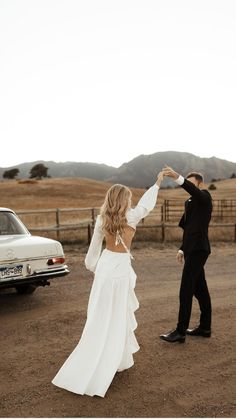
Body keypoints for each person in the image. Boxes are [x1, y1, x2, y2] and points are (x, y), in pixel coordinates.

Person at [52, 171, 164, 397]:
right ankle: (113, 358)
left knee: (100, 314)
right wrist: (158, 183)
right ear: (125, 200)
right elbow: (147, 205)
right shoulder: (132, 216)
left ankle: (103, 355)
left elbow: (93, 250)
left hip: (105, 267)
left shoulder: (102, 219)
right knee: (117, 315)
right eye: (129, 198)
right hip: (120, 268)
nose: (131, 202)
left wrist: (94, 266)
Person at [160, 166, 212, 343]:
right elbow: (188, 230)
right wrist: (182, 249)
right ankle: (205, 328)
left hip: (199, 249)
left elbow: (195, 193)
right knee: (200, 290)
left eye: (191, 183)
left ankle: (180, 331)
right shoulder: (189, 203)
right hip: (191, 250)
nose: (188, 186)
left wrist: (177, 177)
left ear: (200, 183)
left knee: (185, 291)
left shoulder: (205, 197)